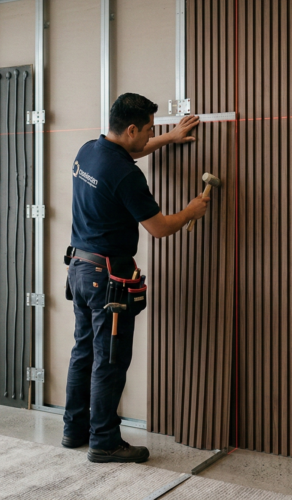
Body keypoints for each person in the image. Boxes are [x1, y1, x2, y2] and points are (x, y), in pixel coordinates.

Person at [62, 93, 208, 464]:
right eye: (146, 131)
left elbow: (129, 153)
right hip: (108, 278)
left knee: (84, 352)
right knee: (109, 360)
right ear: (130, 129)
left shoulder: (89, 151)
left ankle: (74, 429)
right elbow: (159, 228)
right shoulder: (127, 174)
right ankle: (105, 441)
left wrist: (168, 138)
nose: (148, 138)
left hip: (79, 268)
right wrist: (190, 210)